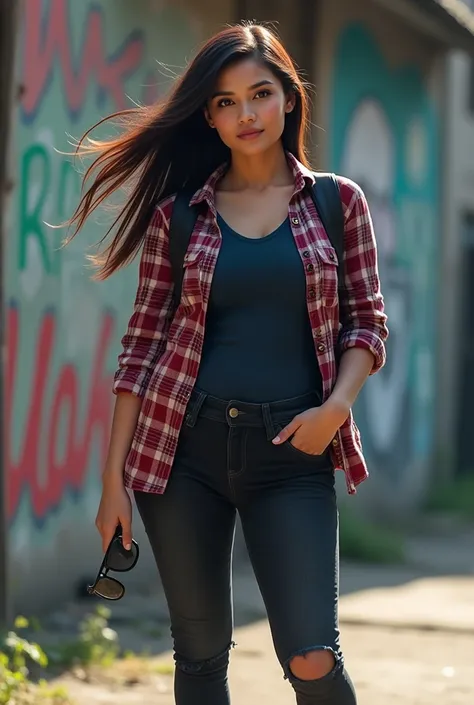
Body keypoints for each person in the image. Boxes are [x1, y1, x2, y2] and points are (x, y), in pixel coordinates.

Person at [66, 21, 388, 705]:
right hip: (182, 454)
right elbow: (141, 350)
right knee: (201, 655)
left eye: (260, 94)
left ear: (289, 99)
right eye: (225, 101)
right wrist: (111, 479)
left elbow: (367, 323)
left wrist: (335, 408)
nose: (246, 114)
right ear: (208, 116)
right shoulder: (178, 216)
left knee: (310, 657)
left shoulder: (337, 203)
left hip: (293, 455)